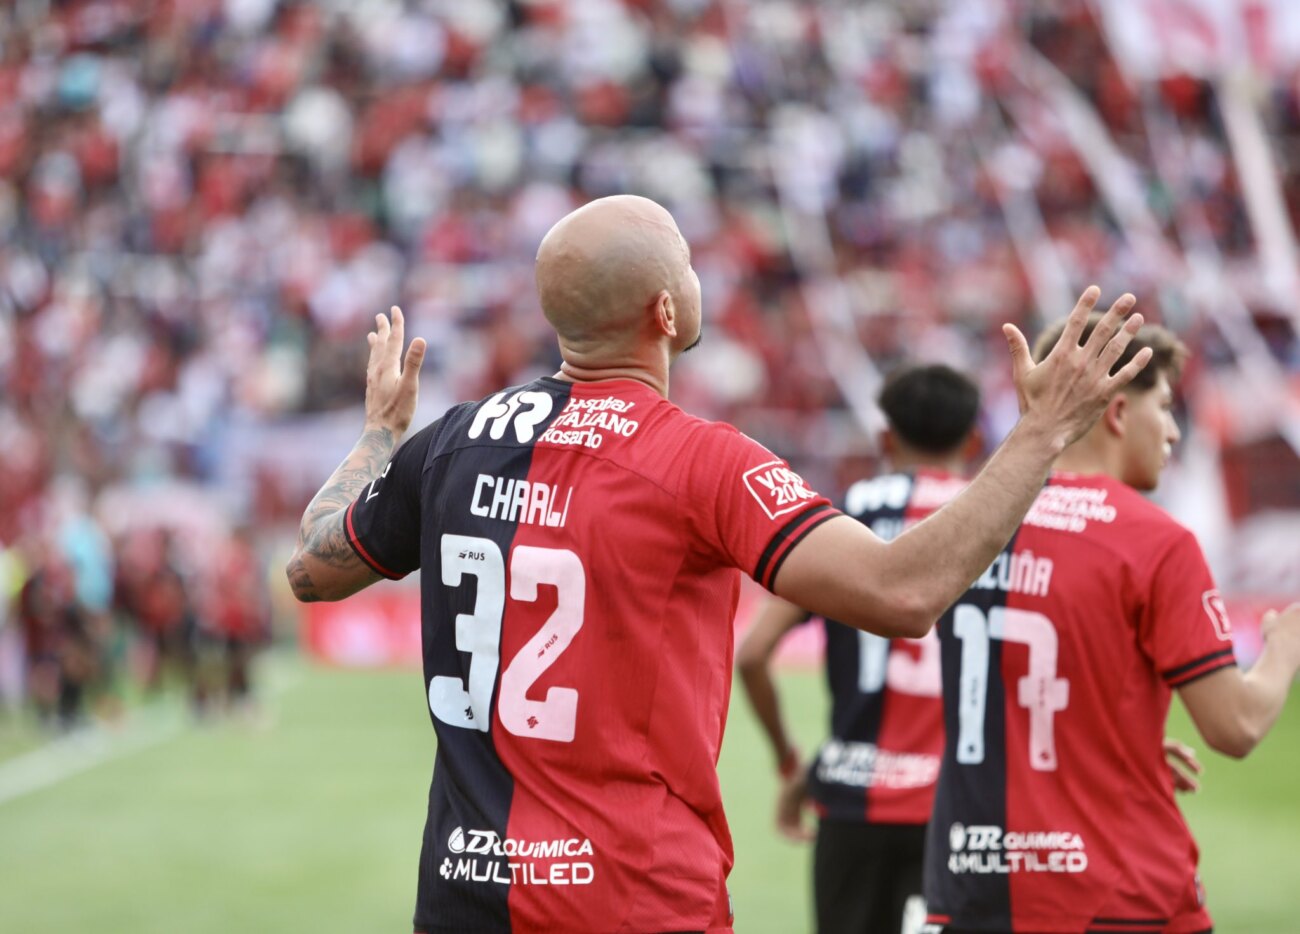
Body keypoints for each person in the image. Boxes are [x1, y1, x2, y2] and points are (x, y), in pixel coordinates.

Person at [285, 194, 1153, 934]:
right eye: (689, 266)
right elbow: (903, 591)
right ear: (666, 312)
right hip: (637, 898)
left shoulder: (450, 443)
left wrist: (378, 434)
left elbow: (311, 568)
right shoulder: (702, 461)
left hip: (462, 895)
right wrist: (1041, 434)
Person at [921, 316, 1300, 934]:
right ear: (1118, 411)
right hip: (1119, 897)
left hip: (969, 890)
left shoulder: (965, 530)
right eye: (1168, 407)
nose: (1174, 431)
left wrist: (1117, 744)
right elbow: (1233, 726)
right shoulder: (1154, 540)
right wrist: (1283, 649)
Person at [737, 363, 983, 934]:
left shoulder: (840, 515)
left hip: (850, 796)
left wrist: (790, 760)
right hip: (955, 806)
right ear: (973, 441)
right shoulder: (991, 522)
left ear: (884, 439)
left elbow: (752, 655)